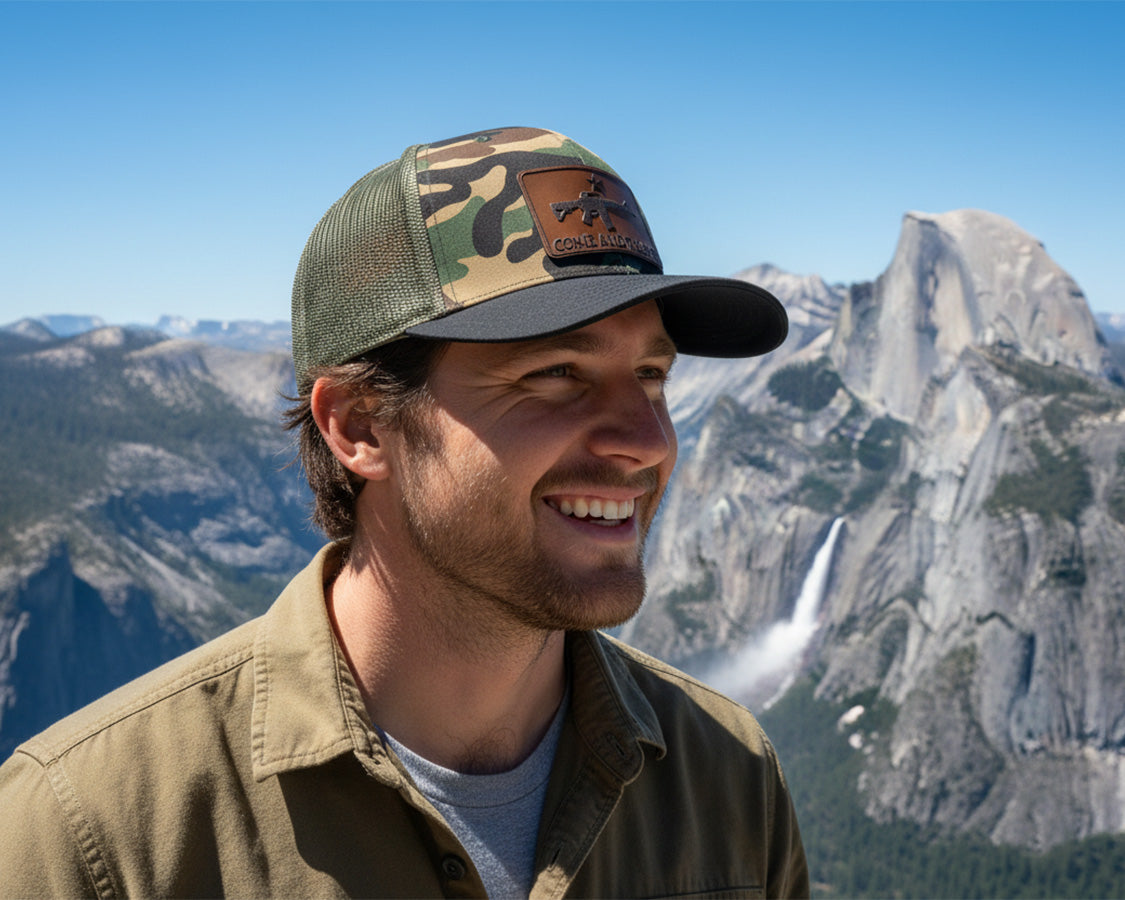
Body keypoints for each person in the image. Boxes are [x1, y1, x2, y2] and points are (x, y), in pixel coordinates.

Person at [0, 126, 807, 898]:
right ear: (359, 426)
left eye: (652, 375)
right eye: (556, 373)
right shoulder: (87, 835)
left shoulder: (731, 779)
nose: (646, 441)